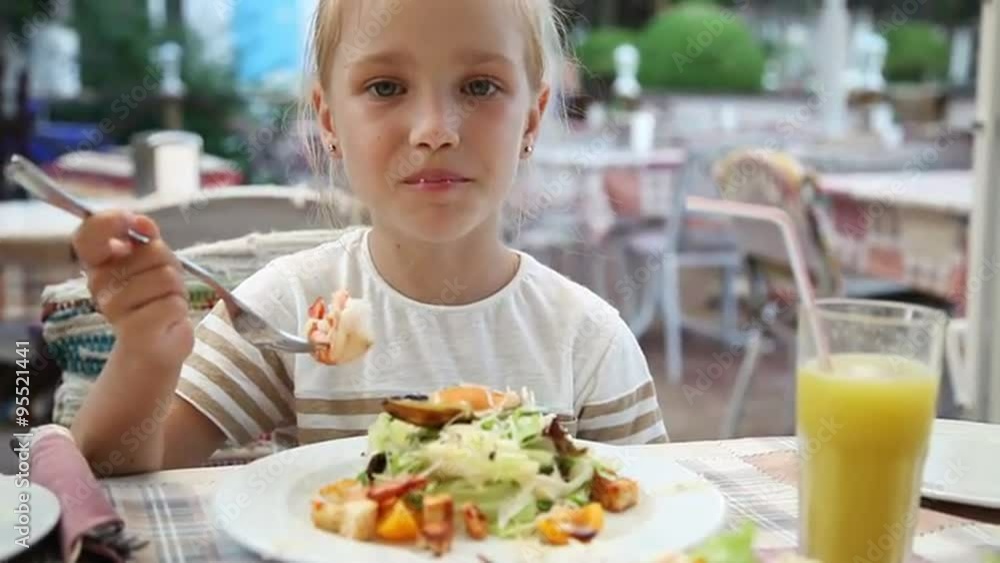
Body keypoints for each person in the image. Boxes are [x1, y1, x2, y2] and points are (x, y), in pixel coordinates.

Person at [69, 0, 669, 474]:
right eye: (386, 87)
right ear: (329, 120)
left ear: (532, 118)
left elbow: (658, 511)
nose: (434, 130)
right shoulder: (286, 310)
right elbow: (119, 472)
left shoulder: (588, 341)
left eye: (479, 87)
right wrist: (146, 353)